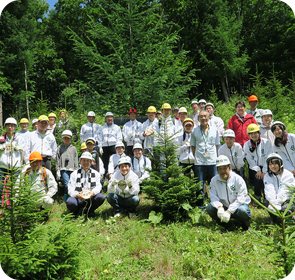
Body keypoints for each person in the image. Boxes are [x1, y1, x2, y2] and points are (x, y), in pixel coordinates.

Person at [206, 155, 251, 231]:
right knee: (210, 208)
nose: (222, 171)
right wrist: (219, 207)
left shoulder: (238, 179)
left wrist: (229, 211)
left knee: (243, 210)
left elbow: (241, 199)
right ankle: (224, 224)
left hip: (237, 207)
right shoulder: (214, 180)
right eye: (220, 169)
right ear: (217, 170)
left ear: (229, 167)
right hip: (223, 207)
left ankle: (245, 225)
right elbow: (213, 196)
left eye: (224, 168)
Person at [190, 110, 219, 203]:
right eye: (201, 117)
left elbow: (216, 145)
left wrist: (212, 155)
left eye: (205, 116)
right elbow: (193, 146)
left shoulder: (215, 130)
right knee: (199, 184)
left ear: (209, 118)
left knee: (214, 183)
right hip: (199, 162)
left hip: (212, 162)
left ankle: (215, 202)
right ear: (198, 119)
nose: (203, 118)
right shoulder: (194, 131)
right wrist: (198, 157)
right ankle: (200, 204)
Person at [66, 152, 105, 217]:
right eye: (84, 160)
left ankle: (90, 210)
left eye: (88, 160)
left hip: (91, 198)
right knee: (70, 201)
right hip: (78, 198)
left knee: (101, 197)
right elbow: (70, 189)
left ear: (91, 162)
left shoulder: (96, 173)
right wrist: (78, 195)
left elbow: (98, 186)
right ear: (80, 161)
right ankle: (76, 211)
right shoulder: (74, 174)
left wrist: (92, 193)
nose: (86, 162)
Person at [244, 124, 272, 204]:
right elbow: (250, 160)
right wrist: (258, 170)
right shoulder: (247, 145)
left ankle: (267, 197)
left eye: (255, 133)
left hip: (266, 165)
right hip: (254, 167)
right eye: (251, 133)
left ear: (259, 133)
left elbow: (268, 156)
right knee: (258, 179)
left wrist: (264, 170)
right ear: (249, 135)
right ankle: (257, 197)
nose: (253, 135)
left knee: (266, 179)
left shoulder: (266, 142)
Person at [264, 153, 295, 224]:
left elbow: (285, 192)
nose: (272, 166)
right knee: (266, 202)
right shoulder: (267, 176)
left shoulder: (288, 175)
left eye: (275, 164)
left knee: (287, 207)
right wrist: (273, 202)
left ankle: (288, 219)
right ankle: (274, 220)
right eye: (270, 164)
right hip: (274, 201)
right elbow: (269, 190)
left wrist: (278, 202)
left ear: (280, 164)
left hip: (287, 199)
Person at [0, 118, 27, 186]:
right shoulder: (1, 138)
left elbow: (25, 151)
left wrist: (21, 149)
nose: (10, 127)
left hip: (16, 168)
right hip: (3, 167)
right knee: (1, 187)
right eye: (8, 125)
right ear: (5, 126)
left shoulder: (19, 139)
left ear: (15, 127)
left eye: (12, 126)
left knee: (15, 187)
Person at [56, 130, 79, 202]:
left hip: (72, 169)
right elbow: (57, 159)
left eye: (68, 138)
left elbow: (76, 159)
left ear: (71, 138)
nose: (67, 139)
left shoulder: (73, 148)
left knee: (71, 184)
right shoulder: (59, 148)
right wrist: (58, 170)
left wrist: (76, 169)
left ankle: (68, 200)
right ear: (63, 139)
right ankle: (68, 200)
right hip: (63, 169)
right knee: (67, 185)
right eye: (65, 138)